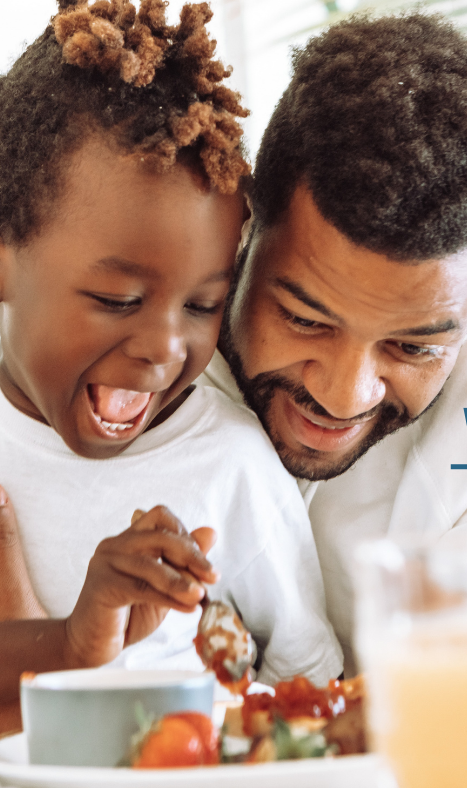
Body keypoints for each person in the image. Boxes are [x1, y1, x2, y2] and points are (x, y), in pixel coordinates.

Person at [203, 13, 467, 673]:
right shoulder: (121, 337)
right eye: (305, 319)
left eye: (412, 348)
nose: (341, 394)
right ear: (245, 218)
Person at [0, 0, 341, 731]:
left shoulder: (227, 465)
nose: (164, 348)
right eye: (117, 298)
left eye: (201, 306)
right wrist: (68, 643)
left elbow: (309, 687)